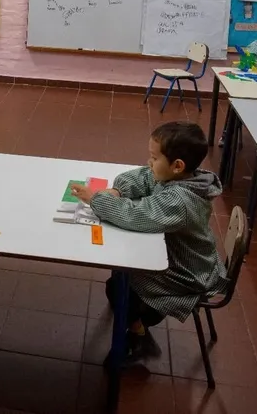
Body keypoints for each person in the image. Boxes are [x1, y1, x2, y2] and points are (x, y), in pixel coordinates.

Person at [69, 122, 226, 363]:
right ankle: (130, 317)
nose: (149, 163)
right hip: (189, 258)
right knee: (120, 280)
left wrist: (97, 199)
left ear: (177, 166)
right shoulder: (184, 177)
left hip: (187, 275)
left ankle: (138, 335)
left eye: (154, 158)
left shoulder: (179, 201)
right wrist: (119, 191)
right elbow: (144, 177)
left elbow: (136, 216)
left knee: (119, 286)